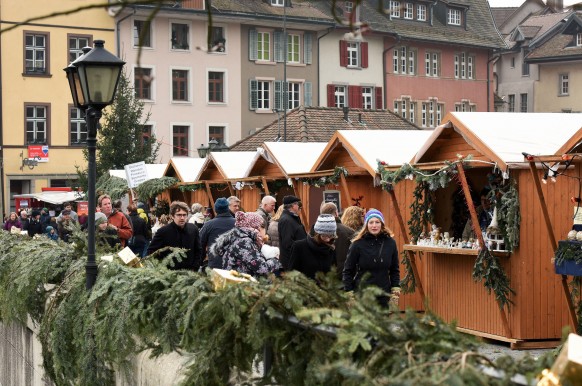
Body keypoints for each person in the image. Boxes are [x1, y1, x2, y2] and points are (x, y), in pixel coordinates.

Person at [343, 209, 400, 308]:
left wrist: (395, 293)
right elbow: (348, 271)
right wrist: (349, 294)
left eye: (377, 222)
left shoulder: (390, 243)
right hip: (362, 294)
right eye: (371, 222)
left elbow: (394, 269)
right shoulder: (357, 244)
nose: (374, 225)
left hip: (383, 294)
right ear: (366, 225)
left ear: (382, 224)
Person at [208, 211, 280, 278]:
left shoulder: (240, 238)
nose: (265, 231)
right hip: (242, 286)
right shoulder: (244, 242)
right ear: (256, 227)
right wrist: (275, 259)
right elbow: (262, 268)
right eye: (263, 227)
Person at [147, 201, 202, 271]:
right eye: (179, 215)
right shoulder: (163, 231)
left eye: (184, 215)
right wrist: (162, 268)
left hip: (190, 273)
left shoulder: (193, 229)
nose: (182, 218)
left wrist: (195, 267)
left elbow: (198, 250)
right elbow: (151, 252)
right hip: (170, 274)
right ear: (172, 216)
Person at [311, 202, 355, 279]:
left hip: (321, 275)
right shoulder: (349, 232)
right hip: (343, 275)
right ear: (336, 213)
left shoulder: (315, 231)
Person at [290, 214, 337, 281]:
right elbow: (291, 274)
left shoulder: (331, 249)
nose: (328, 240)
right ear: (317, 234)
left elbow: (333, 275)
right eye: (324, 236)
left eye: (331, 236)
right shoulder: (299, 247)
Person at [200, 198, 236, 268]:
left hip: (215, 265)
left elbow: (200, 244)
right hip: (234, 264)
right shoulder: (237, 223)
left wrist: (200, 261)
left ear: (216, 210)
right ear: (227, 208)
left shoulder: (208, 225)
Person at [278, 195, 307, 270]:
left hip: (295, 260)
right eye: (298, 204)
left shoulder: (291, 218)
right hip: (291, 262)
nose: (298, 206)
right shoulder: (287, 220)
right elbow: (288, 243)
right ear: (293, 206)